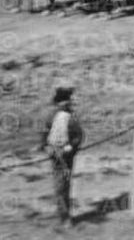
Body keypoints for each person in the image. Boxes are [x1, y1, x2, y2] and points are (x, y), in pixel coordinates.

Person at [41, 87, 84, 226]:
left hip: (67, 156)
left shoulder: (71, 117)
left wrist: (71, 146)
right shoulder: (51, 116)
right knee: (59, 185)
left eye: (68, 101)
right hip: (55, 155)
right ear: (59, 102)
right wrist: (46, 147)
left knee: (64, 185)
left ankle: (64, 215)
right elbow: (44, 133)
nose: (66, 104)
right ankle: (63, 215)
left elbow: (79, 135)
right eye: (64, 101)